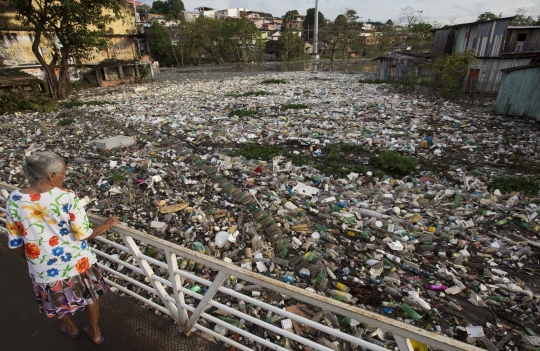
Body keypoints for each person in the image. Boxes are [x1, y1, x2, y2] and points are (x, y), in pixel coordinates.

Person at [6, 152, 119, 344]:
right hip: (78, 263)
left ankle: (72, 328)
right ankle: (95, 333)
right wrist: (107, 224)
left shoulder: (14, 199)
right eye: (63, 173)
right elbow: (83, 233)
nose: (64, 177)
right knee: (90, 297)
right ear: (51, 175)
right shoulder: (66, 197)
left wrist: (32, 261)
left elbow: (15, 243)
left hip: (44, 269)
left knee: (55, 301)